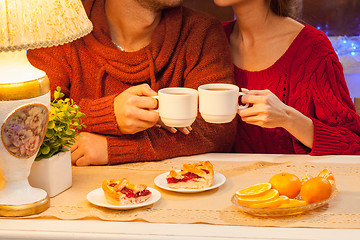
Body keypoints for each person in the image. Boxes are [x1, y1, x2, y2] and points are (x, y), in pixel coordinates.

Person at [28, 0, 237, 166]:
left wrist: (113, 148)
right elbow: (29, 121)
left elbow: (217, 128)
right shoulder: (61, 27)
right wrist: (108, 115)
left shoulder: (201, 30)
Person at [214, 0, 360, 154]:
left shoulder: (313, 48)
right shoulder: (213, 40)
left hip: (294, 177)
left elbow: (353, 144)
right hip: (225, 177)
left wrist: (288, 118)